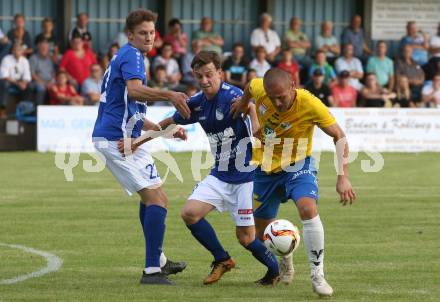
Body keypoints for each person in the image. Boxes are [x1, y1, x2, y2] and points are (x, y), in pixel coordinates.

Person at [129, 50, 281, 286]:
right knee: (189, 213)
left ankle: (274, 270)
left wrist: (251, 115)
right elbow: (168, 121)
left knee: (246, 238)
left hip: (246, 178)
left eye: (209, 74)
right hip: (219, 176)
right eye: (199, 76)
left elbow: (253, 117)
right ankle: (222, 259)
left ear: (220, 73)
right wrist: (137, 141)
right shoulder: (198, 103)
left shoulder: (233, 96)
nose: (204, 81)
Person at [230, 67, 356, 297]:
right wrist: (243, 105)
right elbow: (249, 87)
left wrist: (343, 177)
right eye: (272, 97)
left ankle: (318, 276)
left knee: (308, 208)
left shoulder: (310, 103)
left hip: (298, 164)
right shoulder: (260, 88)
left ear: (293, 85)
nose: (277, 102)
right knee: (262, 233)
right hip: (264, 169)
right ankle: (286, 256)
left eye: (282, 96)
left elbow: (339, 135)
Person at [91, 9, 190, 285]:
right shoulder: (132, 56)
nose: (149, 37)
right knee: (157, 200)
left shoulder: (126, 56)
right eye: (143, 33)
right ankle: (151, 271)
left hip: (123, 137)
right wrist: (169, 93)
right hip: (117, 140)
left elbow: (131, 107)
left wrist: (167, 129)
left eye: (151, 32)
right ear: (130, 35)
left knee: (156, 198)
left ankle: (157, 260)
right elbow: (135, 91)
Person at [0, 42, 32, 117]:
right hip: (9, 81)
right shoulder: (6, 59)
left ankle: (25, 110)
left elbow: (27, 76)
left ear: (22, 51)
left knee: (29, 86)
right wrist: (18, 83)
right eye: (16, 50)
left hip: (19, 82)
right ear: (12, 51)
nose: (17, 52)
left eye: (19, 50)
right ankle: (2, 109)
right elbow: (4, 76)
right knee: (4, 84)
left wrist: (24, 83)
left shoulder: (25, 61)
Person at [29, 38, 55, 105]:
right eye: (42, 48)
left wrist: (51, 81)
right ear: (38, 48)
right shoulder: (33, 58)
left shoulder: (49, 59)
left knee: (58, 87)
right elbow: (32, 74)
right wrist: (44, 83)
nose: (44, 49)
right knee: (41, 88)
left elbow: (53, 73)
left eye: (46, 48)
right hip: (37, 82)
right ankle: (38, 109)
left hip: (49, 82)